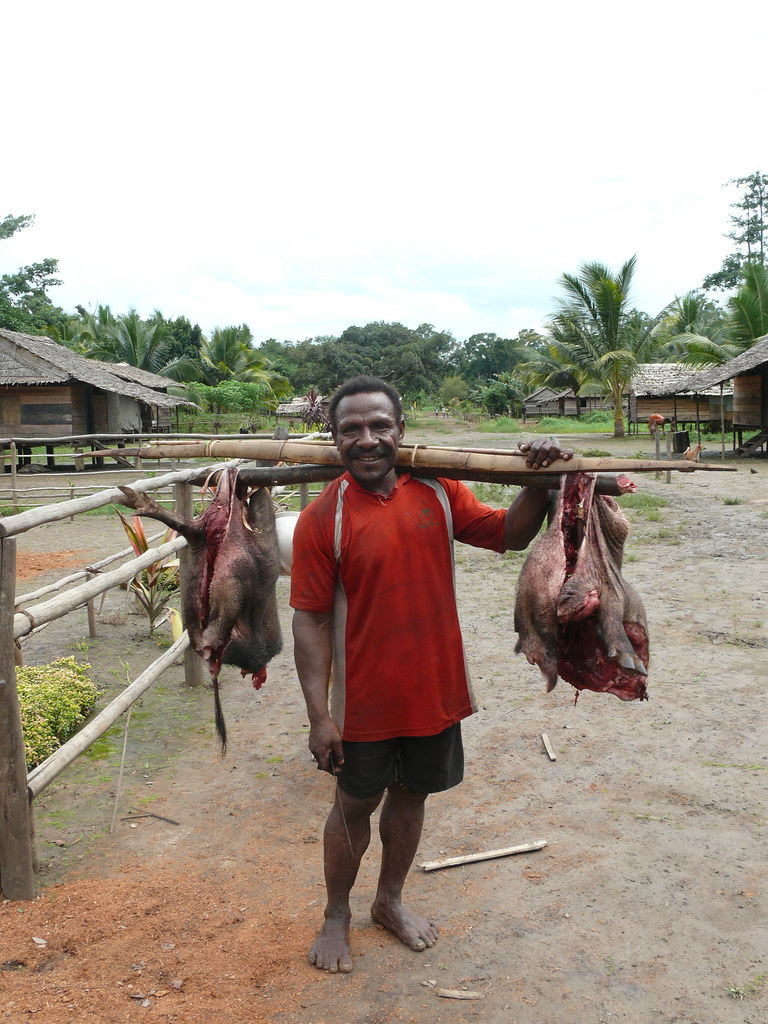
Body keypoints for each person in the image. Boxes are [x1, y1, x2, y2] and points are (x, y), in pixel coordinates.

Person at [289, 375, 572, 974]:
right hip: (362, 705)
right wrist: (319, 717)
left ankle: (388, 901)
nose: (367, 440)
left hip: (435, 692)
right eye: (351, 430)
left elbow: (507, 534)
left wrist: (542, 481)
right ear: (334, 437)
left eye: (379, 426)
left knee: (412, 797)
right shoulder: (324, 518)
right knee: (351, 806)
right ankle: (336, 912)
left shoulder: (438, 491)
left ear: (400, 430)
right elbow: (310, 623)